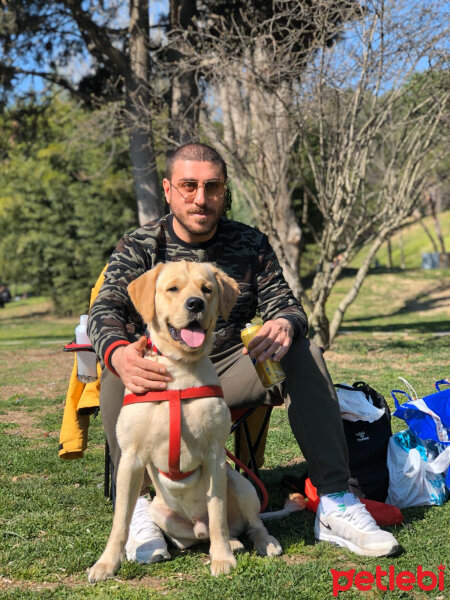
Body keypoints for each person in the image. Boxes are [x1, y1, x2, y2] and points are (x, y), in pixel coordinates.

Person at [88, 143, 398, 563]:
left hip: (230, 367)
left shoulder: (250, 243)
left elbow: (288, 306)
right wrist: (119, 352)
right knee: (114, 369)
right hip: (159, 372)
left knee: (303, 352)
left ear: (224, 190)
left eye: (212, 187)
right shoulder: (141, 245)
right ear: (167, 189)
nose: (201, 198)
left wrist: (285, 325)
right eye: (189, 186)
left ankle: (335, 500)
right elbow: (104, 308)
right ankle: (143, 507)